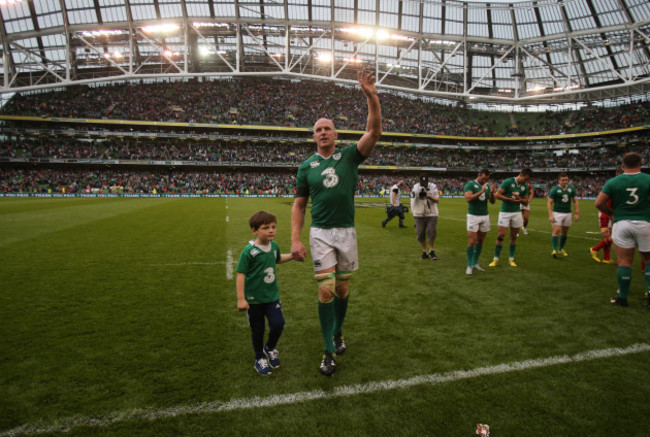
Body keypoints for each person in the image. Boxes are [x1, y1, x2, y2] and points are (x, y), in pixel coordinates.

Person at [291, 68, 381, 376]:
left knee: (342, 290)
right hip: (321, 234)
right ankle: (328, 350)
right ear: (313, 136)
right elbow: (300, 204)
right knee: (326, 290)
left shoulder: (349, 157)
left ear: (336, 134)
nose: (323, 132)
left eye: (328, 128)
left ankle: (338, 331)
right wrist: (295, 238)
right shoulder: (306, 167)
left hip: (346, 233)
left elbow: (373, 133)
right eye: (318, 129)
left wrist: (370, 95)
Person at [236, 211, 297, 375]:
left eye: (273, 227)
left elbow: (277, 259)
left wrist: (292, 256)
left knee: (278, 324)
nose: (271, 230)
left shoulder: (274, 246)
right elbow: (241, 274)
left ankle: (269, 347)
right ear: (254, 231)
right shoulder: (249, 251)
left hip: (271, 297)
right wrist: (241, 299)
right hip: (254, 300)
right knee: (258, 330)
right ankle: (259, 357)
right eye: (265, 228)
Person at [595, 152, 650, 307]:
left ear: (623, 166)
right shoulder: (648, 179)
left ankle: (623, 298)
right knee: (648, 260)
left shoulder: (614, 182)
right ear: (641, 163)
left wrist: (612, 212)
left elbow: (599, 203)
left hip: (622, 223)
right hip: (645, 223)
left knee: (624, 261)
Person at [489, 168, 533, 268]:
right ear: (521, 175)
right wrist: (510, 199)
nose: (526, 181)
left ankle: (511, 259)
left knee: (513, 236)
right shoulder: (508, 182)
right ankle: (495, 259)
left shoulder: (525, 186)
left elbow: (526, 202)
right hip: (505, 212)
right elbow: (498, 195)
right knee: (501, 235)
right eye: (525, 179)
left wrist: (519, 199)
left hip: (516, 213)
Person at [464, 169, 496, 275]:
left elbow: (492, 201)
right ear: (479, 175)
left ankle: (475, 263)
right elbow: (468, 198)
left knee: (480, 241)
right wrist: (481, 191)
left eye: (486, 179)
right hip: (473, 216)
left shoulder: (487, 186)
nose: (484, 181)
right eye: (483, 179)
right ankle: (469, 266)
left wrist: (491, 192)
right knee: (472, 241)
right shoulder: (470, 184)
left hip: (485, 216)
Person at [547, 172, 580, 257]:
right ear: (559, 181)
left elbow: (575, 200)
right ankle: (554, 250)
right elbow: (549, 202)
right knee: (556, 230)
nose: (565, 182)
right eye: (563, 180)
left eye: (566, 180)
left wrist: (577, 213)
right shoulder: (555, 189)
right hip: (557, 213)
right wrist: (550, 215)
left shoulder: (571, 188)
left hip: (568, 213)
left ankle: (561, 248)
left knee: (564, 232)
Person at [410, 174, 440, 260]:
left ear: (428, 181)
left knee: (431, 232)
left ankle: (432, 251)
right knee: (420, 234)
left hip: (432, 213)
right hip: (419, 214)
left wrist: (429, 196)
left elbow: (438, 200)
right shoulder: (415, 187)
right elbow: (412, 200)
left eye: (425, 182)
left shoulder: (433, 187)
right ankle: (424, 251)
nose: (424, 184)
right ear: (419, 181)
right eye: (422, 182)